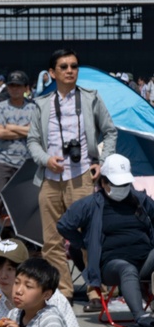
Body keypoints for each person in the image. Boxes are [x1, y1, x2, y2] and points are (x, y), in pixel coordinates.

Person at [27, 48, 117, 305]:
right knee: (52, 241)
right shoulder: (42, 103)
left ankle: (93, 288)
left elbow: (110, 132)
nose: (69, 71)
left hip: (81, 177)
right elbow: (32, 140)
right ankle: (63, 290)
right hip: (50, 178)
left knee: (88, 237)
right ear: (52, 73)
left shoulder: (91, 98)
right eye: (64, 67)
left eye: (74, 66)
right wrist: (46, 159)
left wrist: (102, 160)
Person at [58, 154, 154, 322]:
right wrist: (83, 243)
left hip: (144, 261)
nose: (122, 188)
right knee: (127, 269)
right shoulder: (90, 204)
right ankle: (141, 317)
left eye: (125, 184)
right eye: (117, 184)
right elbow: (64, 225)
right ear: (103, 182)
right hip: (111, 266)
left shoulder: (140, 199)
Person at [0, 71, 37, 251]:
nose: (15, 89)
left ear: (25, 88)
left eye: (19, 86)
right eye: (12, 85)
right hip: (3, 161)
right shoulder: (1, 106)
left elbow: (35, 132)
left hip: (26, 162)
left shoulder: (33, 107)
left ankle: (25, 241)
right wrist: (24, 129)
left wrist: (11, 127)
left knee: (25, 205)